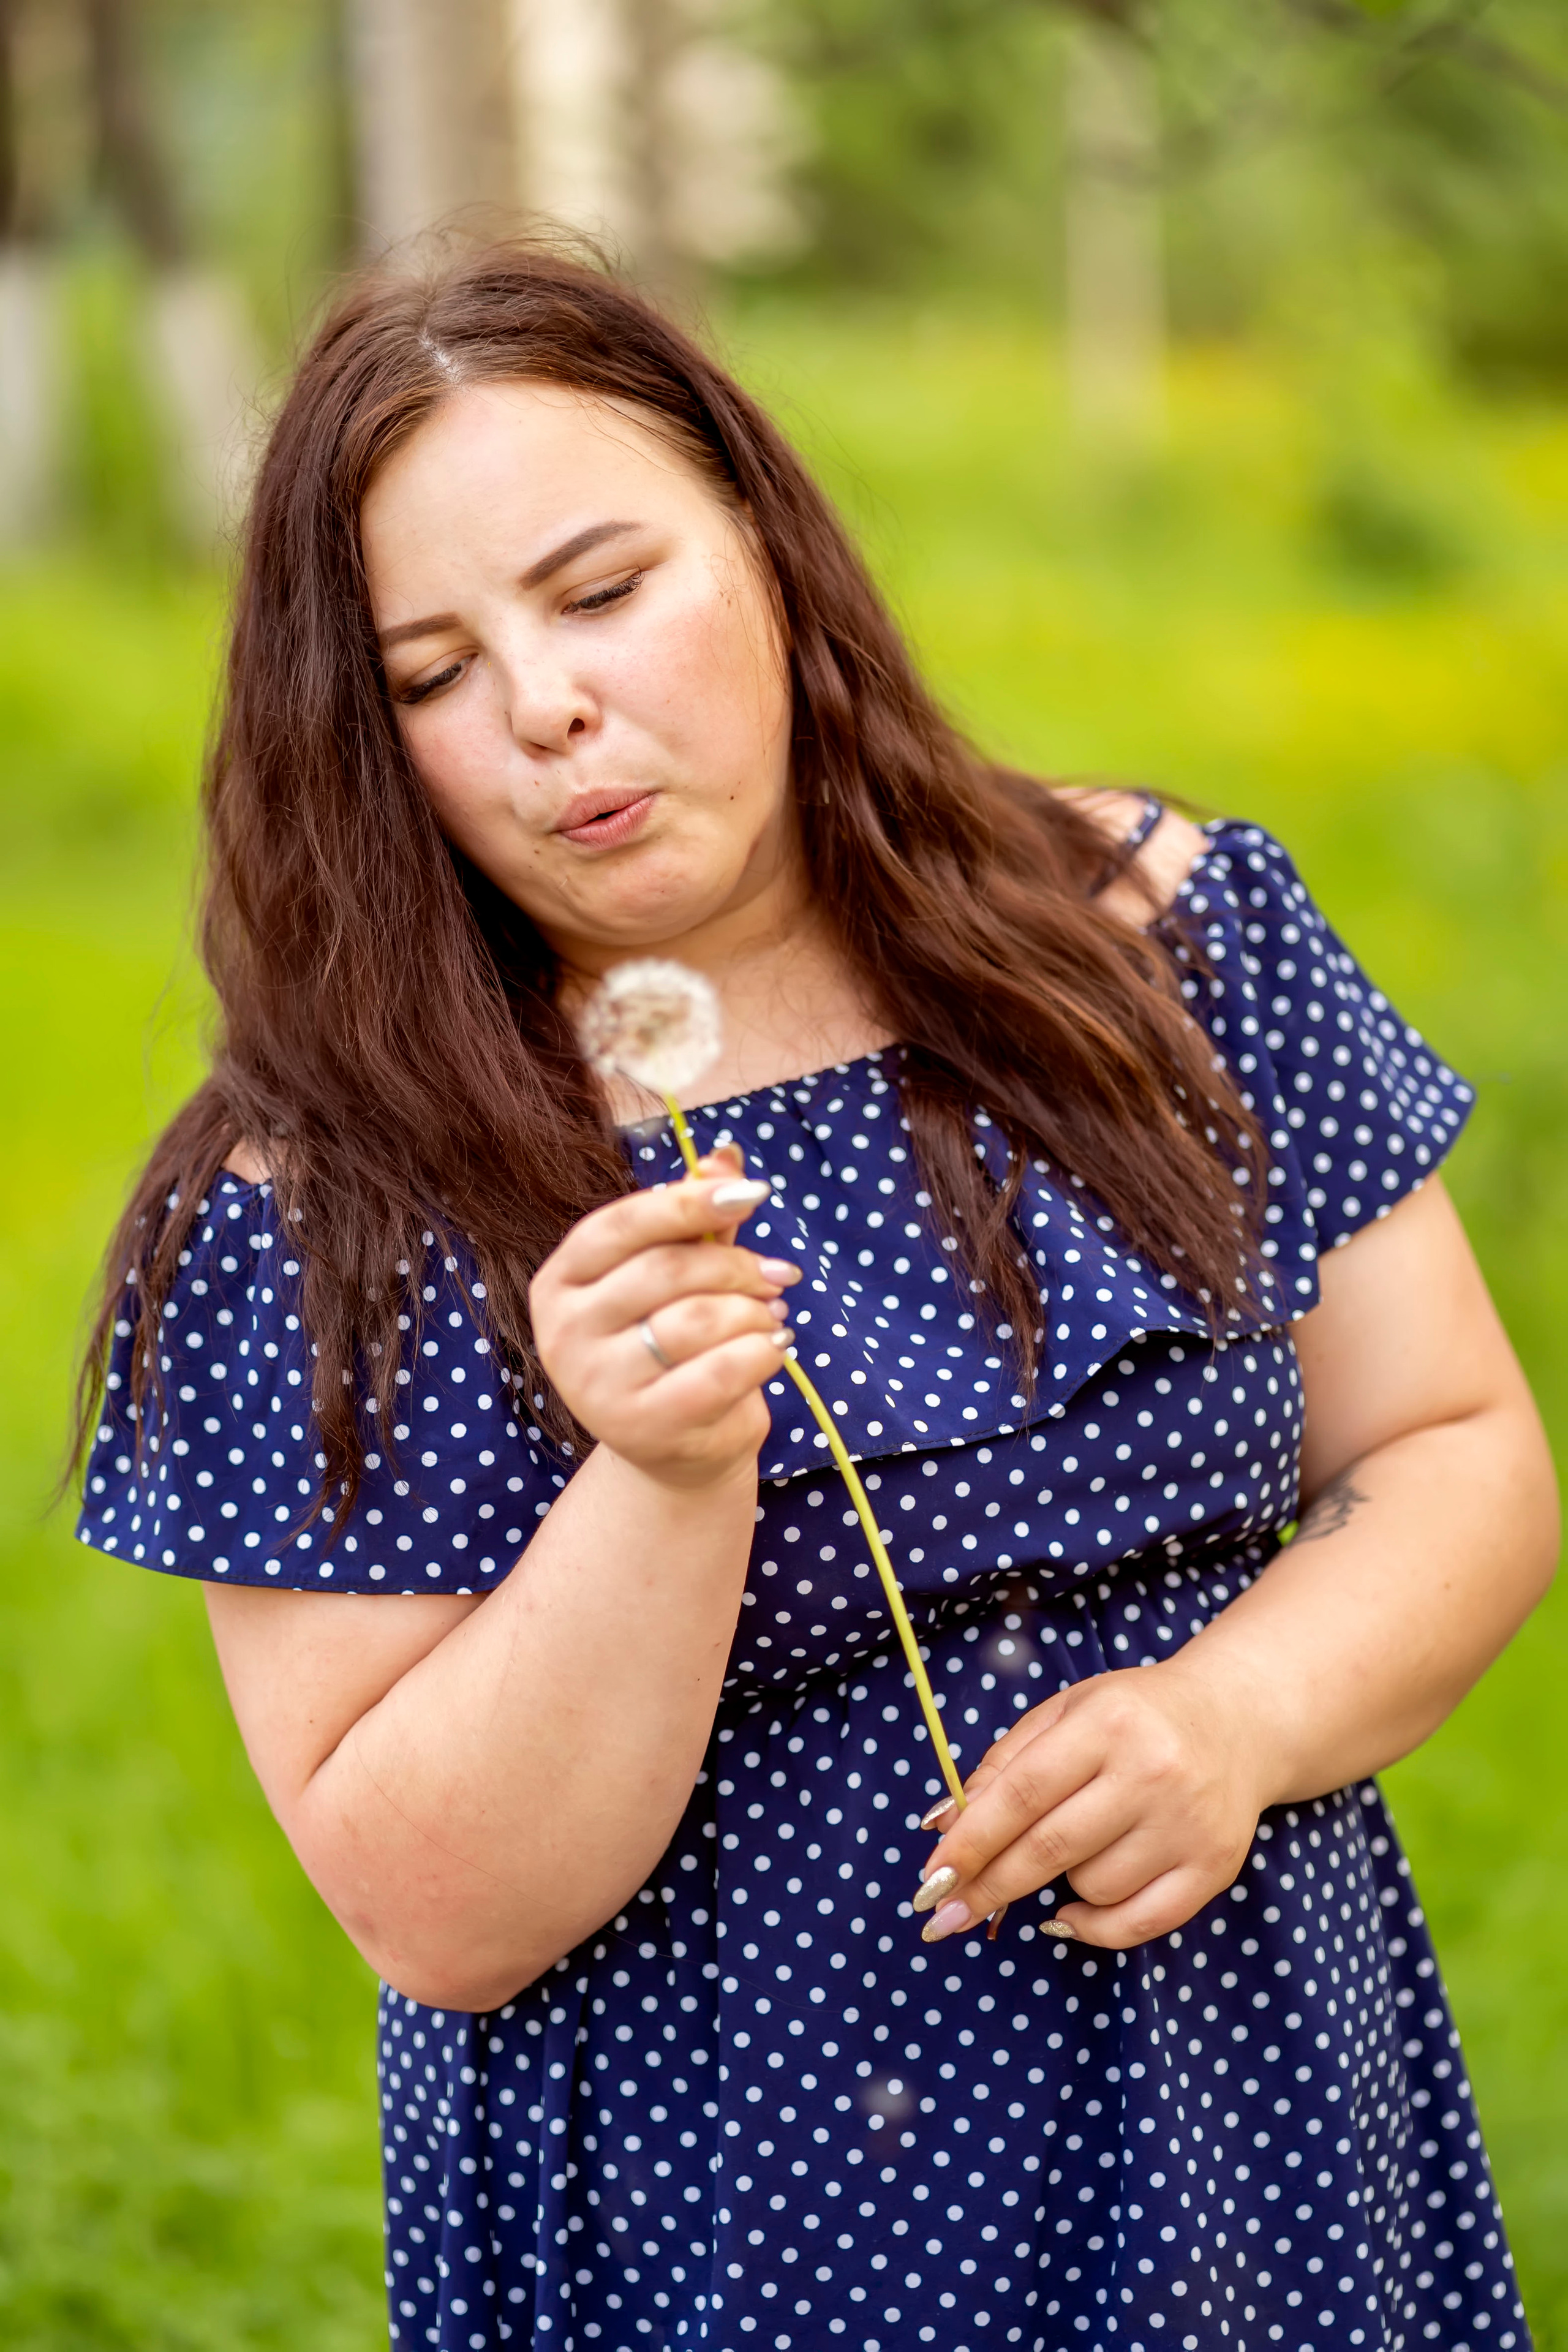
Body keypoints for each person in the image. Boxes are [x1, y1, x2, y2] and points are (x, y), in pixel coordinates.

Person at [76, 241, 1555, 2352]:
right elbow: (437, 1913)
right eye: (431, 674)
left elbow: (1454, 1448)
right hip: (741, 2234)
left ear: (767, 547)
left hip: (1260, 2157)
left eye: (602, 590)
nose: (547, 705)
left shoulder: (1159, 940)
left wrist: (1237, 1717)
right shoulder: (320, 1202)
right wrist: (665, 1479)